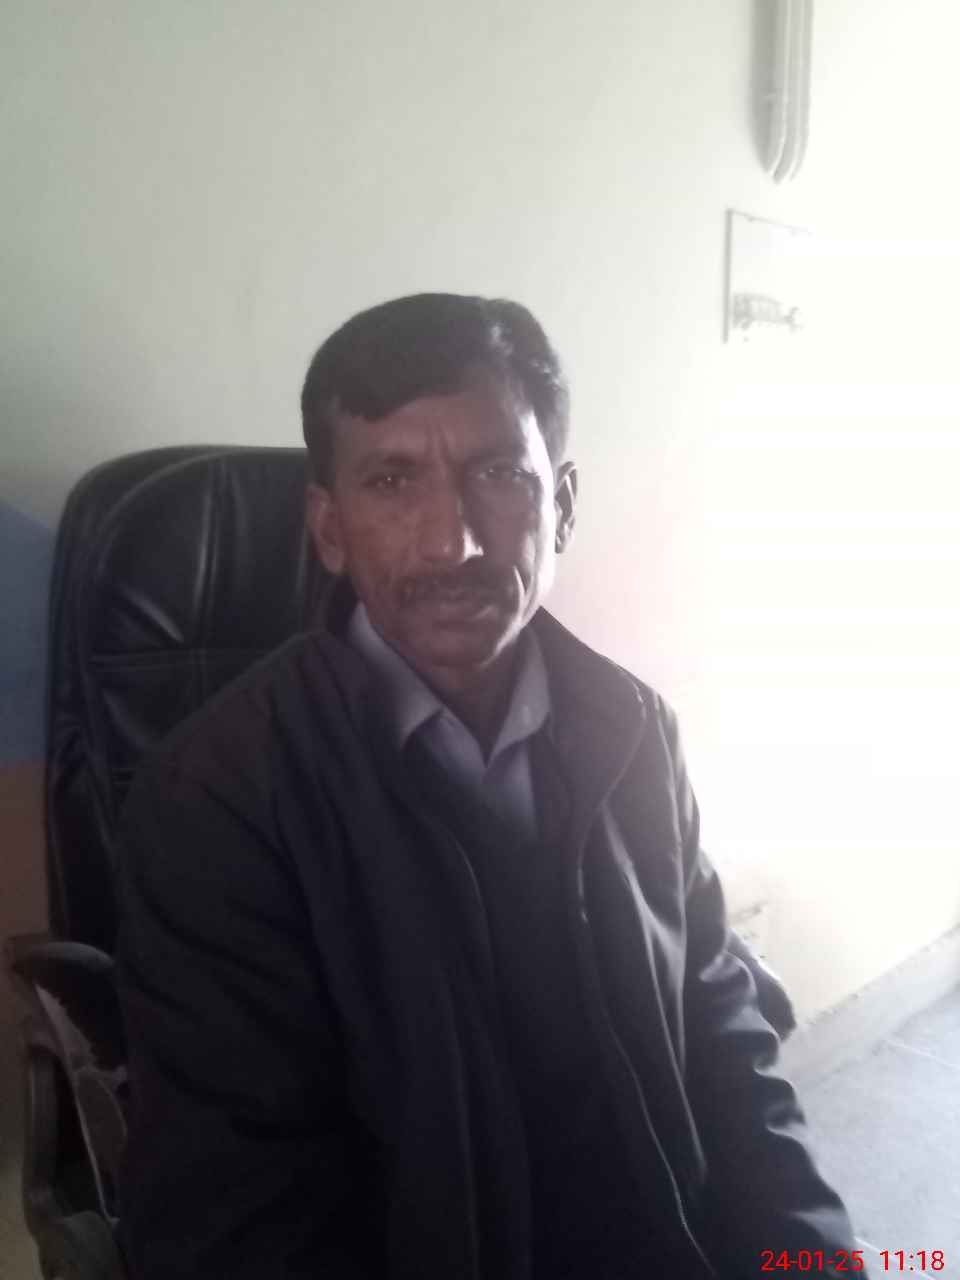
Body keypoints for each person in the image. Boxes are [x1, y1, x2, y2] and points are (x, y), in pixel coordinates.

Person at [116, 293, 862, 1279]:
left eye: (500, 474)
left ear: (565, 505)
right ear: (329, 529)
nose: (453, 543)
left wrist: (812, 1263)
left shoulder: (636, 731)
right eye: (392, 480)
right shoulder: (216, 799)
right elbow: (239, 1224)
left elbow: (723, 1040)